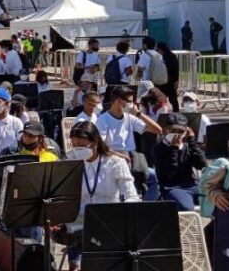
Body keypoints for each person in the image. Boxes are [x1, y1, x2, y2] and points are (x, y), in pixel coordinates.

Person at [60, 122, 140, 270]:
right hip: (79, 221)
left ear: (95, 141)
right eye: (75, 146)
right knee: (77, 238)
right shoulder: (70, 163)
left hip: (109, 220)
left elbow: (131, 195)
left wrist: (125, 214)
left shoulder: (115, 163)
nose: (78, 150)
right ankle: (76, 264)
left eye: (82, 145)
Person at [95, 86, 163, 201]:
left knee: (155, 177)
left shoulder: (129, 117)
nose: (132, 105)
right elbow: (100, 146)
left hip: (132, 157)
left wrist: (139, 114)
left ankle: (145, 206)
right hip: (112, 158)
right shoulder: (103, 120)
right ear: (117, 101)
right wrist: (120, 156)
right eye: (129, 101)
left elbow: (158, 130)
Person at [152, 114, 206, 211]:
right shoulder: (158, 148)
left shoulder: (188, 147)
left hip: (192, 184)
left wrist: (192, 141)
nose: (176, 134)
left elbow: (201, 164)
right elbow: (169, 174)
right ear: (165, 130)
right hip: (172, 187)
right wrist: (174, 149)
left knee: (219, 201)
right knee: (186, 207)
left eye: (180, 131)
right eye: (173, 130)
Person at [156, 42, 180, 111]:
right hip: (166, 80)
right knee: (171, 99)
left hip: (168, 80)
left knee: (171, 99)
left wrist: (176, 81)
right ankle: (171, 111)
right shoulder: (166, 56)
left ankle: (174, 111)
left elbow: (175, 69)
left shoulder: (169, 56)